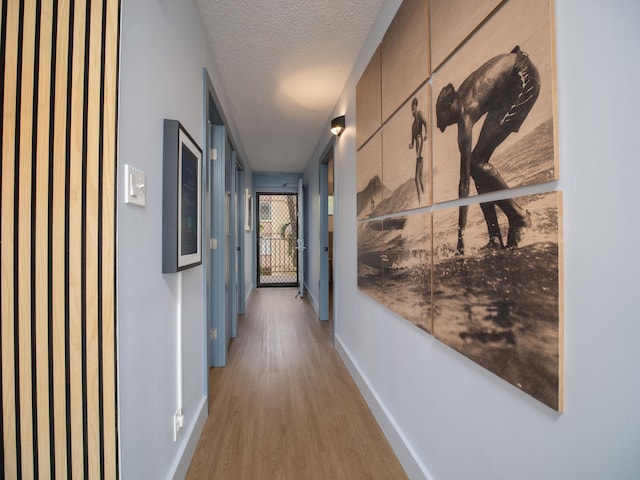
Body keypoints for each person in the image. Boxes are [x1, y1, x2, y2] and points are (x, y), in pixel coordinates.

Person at [436, 46, 540, 254]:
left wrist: (460, 239)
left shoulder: (464, 114)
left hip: (523, 77)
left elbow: (463, 183)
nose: (447, 125)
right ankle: (494, 237)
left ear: (449, 108)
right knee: (477, 163)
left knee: (475, 163)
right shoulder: (463, 98)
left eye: (445, 120)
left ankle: (519, 217)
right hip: (507, 88)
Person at [409, 97, 427, 204]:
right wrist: (410, 145)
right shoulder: (412, 126)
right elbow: (412, 141)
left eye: (413, 108)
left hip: (421, 145)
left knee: (417, 177)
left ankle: (422, 200)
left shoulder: (420, 114)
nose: (412, 111)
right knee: (417, 178)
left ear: (416, 107)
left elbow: (426, 123)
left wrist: (426, 134)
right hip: (417, 147)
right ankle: (422, 198)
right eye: (411, 109)